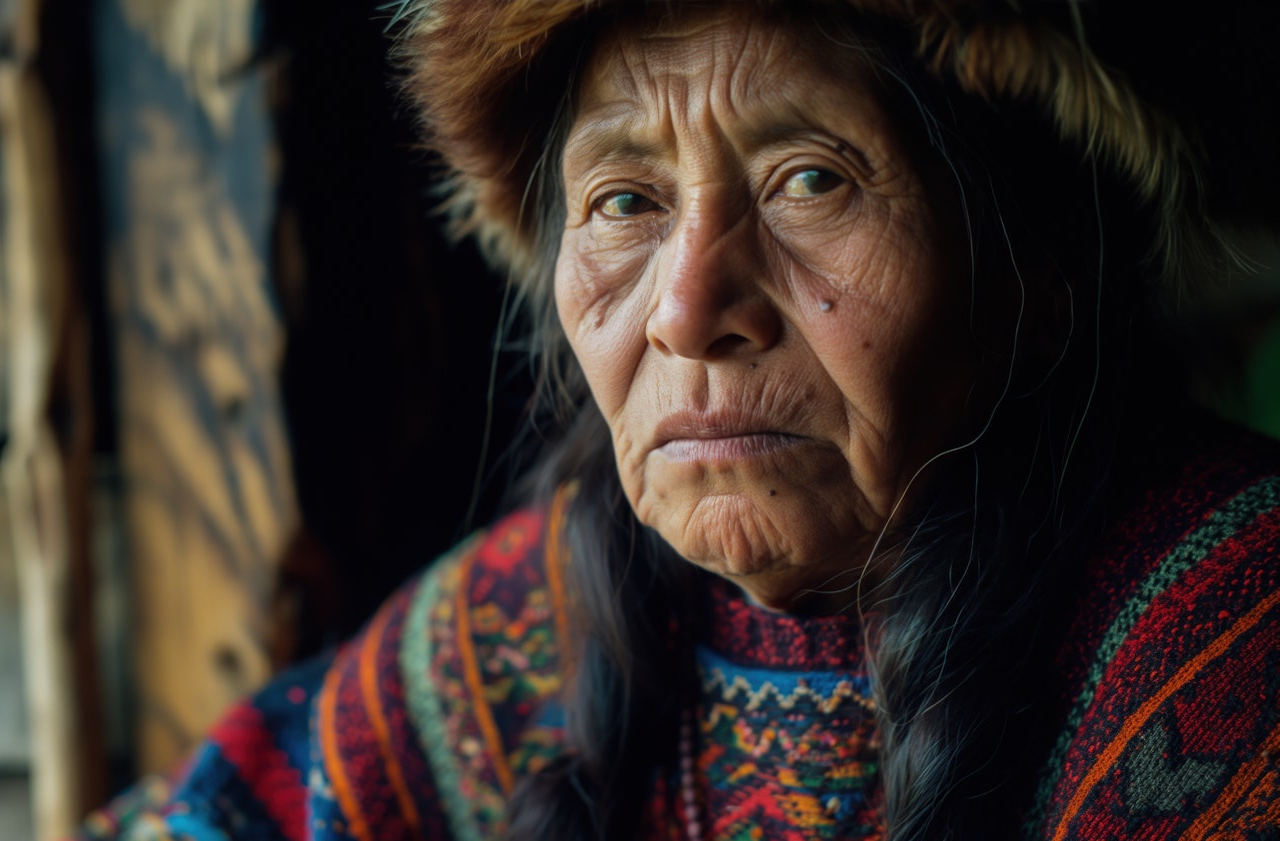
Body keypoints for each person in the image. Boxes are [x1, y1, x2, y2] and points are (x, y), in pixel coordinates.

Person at [79, 1, 1280, 839]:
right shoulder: (538, 616)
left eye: (812, 178)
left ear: (1041, 264)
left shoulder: (1228, 622)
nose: (688, 307)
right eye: (624, 200)